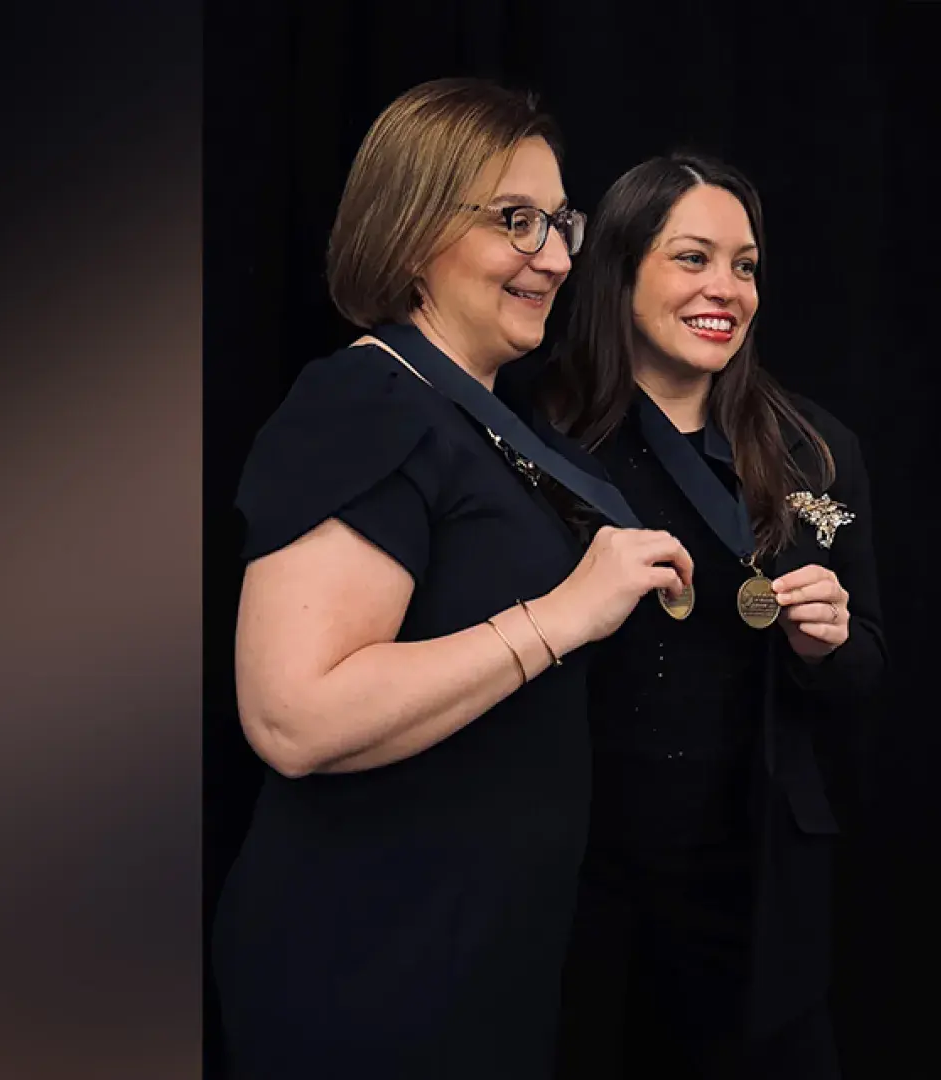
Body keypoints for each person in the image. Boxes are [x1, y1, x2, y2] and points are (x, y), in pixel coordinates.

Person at [210, 79, 695, 1079]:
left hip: (485, 957)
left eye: (561, 222)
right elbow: (293, 716)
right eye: (515, 221)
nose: (556, 257)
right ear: (411, 228)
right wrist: (562, 616)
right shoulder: (363, 400)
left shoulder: (486, 417)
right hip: (371, 964)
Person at [532, 154, 887, 1078]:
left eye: (745, 264)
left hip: (756, 883)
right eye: (692, 258)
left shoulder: (814, 447)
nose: (724, 289)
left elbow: (866, 672)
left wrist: (830, 643)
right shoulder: (540, 435)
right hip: (579, 881)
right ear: (620, 269)